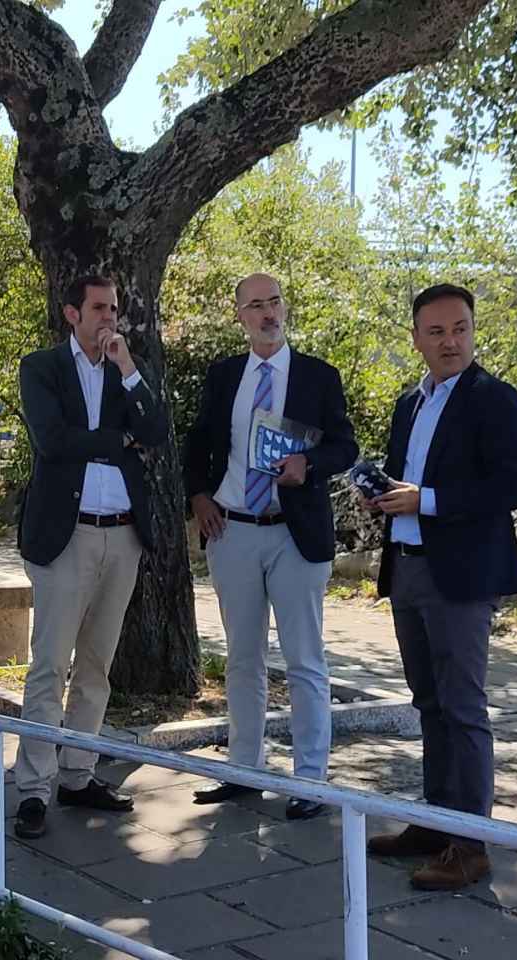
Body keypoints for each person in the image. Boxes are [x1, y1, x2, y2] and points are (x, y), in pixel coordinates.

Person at [361, 283, 517, 891]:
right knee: (428, 704)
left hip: (461, 575)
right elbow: (408, 480)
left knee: (463, 709)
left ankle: (472, 845)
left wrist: (424, 500)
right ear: (417, 340)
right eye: (436, 332)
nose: (449, 341)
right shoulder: (411, 403)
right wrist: (385, 494)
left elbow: (512, 487)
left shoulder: (495, 399)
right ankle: (435, 825)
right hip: (407, 565)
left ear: (472, 330)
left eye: (459, 328)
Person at [183, 274, 357, 820]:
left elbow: (345, 445)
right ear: (240, 316)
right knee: (243, 658)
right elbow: (199, 442)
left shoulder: (317, 376)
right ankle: (245, 769)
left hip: (294, 532)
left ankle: (311, 780)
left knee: (305, 659)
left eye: (274, 302)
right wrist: (198, 496)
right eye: (255, 305)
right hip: (232, 531)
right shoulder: (223, 376)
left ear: (285, 309)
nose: (267, 313)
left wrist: (311, 464)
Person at [10, 275, 169, 840]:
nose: (110, 319)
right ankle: (33, 787)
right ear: (71, 313)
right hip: (66, 535)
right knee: (50, 665)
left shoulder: (127, 371)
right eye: (100, 309)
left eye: (116, 310)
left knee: (97, 668)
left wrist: (128, 371)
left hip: (122, 535)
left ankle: (78, 775)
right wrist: (116, 441)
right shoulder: (43, 368)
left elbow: (156, 431)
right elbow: (53, 441)